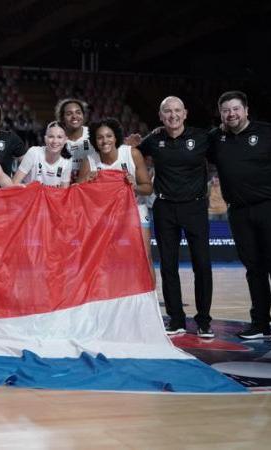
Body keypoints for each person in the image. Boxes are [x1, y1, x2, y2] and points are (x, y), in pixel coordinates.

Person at [208, 91, 271, 342]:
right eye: (226, 110)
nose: (231, 114)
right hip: (239, 211)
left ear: (246, 110)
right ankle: (260, 324)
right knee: (254, 269)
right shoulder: (216, 138)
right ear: (220, 114)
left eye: (236, 109)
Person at [138, 96, 214, 337]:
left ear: (185, 113)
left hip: (195, 208)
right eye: (167, 111)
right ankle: (177, 320)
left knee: (201, 265)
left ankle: (204, 320)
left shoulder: (202, 137)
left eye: (177, 110)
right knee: (168, 266)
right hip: (164, 208)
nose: (173, 115)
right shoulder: (154, 140)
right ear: (161, 117)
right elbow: (131, 155)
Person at [79, 118, 155, 283]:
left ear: (116, 137)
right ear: (94, 140)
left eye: (109, 136)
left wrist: (134, 186)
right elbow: (76, 194)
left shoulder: (131, 153)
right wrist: (85, 182)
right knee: (107, 261)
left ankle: (149, 301)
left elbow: (148, 189)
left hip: (135, 211)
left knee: (144, 256)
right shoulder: (89, 161)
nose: (105, 140)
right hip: (105, 218)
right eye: (100, 137)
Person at [13, 121, 72, 188]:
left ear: (65, 140)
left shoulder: (67, 161)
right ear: (45, 139)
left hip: (52, 198)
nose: (55, 141)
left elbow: (63, 192)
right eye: (51, 136)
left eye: (59, 137)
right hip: (30, 197)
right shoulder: (34, 152)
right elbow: (14, 184)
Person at [55, 98, 94, 182]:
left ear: (83, 116)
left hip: (89, 183)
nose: (74, 116)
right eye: (69, 114)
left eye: (78, 112)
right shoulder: (56, 139)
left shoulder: (94, 135)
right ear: (62, 118)